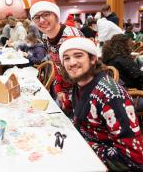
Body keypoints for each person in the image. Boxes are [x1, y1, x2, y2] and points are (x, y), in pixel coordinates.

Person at [59, 37, 143, 171]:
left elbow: (133, 157)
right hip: (85, 147)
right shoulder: (78, 84)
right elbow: (78, 114)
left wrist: (85, 145)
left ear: (93, 59)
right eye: (67, 58)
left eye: (78, 56)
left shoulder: (111, 96)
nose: (72, 62)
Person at [29, 0, 82, 110]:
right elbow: (56, 65)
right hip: (66, 90)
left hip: (83, 93)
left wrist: (70, 98)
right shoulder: (45, 37)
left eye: (46, 14)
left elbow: (83, 74)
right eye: (37, 17)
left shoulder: (71, 35)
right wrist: (59, 89)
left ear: (56, 15)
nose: (41, 20)